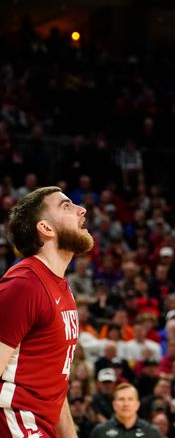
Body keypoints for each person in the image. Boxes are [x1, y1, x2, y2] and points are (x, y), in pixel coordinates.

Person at [0, 187, 95, 437]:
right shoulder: (24, 285)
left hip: (41, 425)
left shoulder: (61, 286)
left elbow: (54, 385)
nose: (81, 210)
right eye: (66, 206)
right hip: (14, 423)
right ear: (46, 228)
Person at [89, 383, 161, 438]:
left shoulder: (151, 433)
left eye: (130, 399)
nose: (126, 404)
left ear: (137, 405)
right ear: (114, 405)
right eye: (121, 399)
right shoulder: (100, 432)